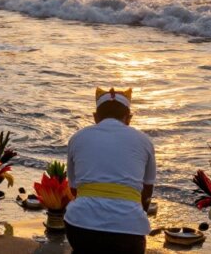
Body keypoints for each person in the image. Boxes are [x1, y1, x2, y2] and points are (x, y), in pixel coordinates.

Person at [65, 87, 156, 254]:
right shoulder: (145, 141)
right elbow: (147, 191)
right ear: (129, 118)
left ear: (95, 117)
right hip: (128, 233)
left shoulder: (77, 138)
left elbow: (74, 189)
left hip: (81, 228)